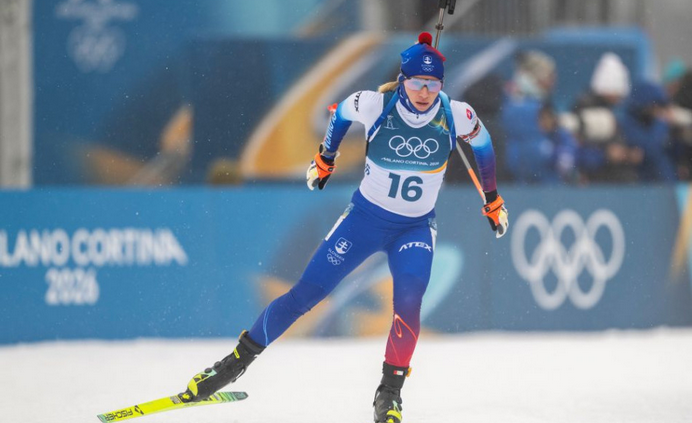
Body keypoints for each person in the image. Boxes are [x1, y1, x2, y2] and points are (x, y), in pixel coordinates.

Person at [178, 32, 509, 423]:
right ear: (402, 80)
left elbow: (483, 144)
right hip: (364, 221)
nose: (425, 93)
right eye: (418, 83)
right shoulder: (374, 104)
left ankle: (389, 394)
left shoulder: (455, 114)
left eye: (433, 84)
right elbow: (339, 115)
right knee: (305, 295)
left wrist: (492, 198)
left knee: (408, 305)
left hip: (414, 229)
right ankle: (233, 364)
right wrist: (326, 159)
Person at [500, 50, 578, 184]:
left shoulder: (536, 103)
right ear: (536, 77)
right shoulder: (520, 107)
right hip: (532, 184)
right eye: (549, 76)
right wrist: (557, 154)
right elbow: (532, 154)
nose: (554, 81)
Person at [569, 52, 642, 183]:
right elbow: (575, 150)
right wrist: (605, 155)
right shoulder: (584, 109)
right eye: (617, 92)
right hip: (596, 180)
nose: (619, 98)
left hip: (610, 178)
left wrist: (626, 153)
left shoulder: (611, 110)